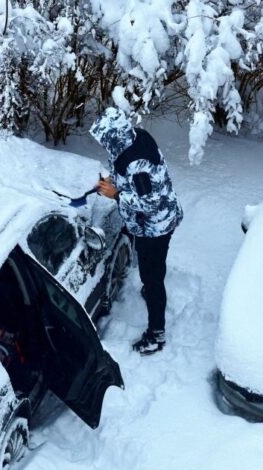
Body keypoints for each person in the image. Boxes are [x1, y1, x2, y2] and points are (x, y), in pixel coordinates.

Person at [90, 108, 183, 355]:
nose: (103, 145)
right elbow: (127, 173)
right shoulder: (134, 138)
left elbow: (150, 201)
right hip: (153, 221)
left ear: (114, 137)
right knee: (152, 268)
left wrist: (117, 194)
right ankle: (152, 290)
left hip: (155, 227)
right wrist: (113, 181)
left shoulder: (138, 165)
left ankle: (156, 334)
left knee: (153, 277)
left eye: (104, 141)